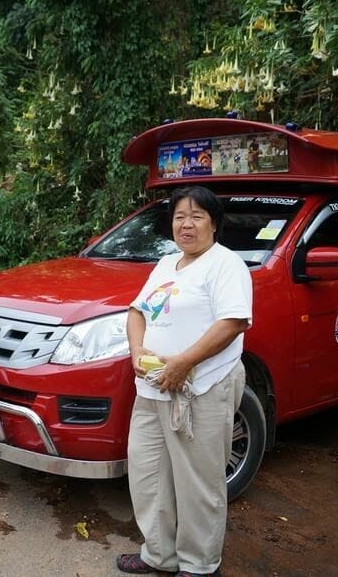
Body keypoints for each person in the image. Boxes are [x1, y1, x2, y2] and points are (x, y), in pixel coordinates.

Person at [117, 185, 253, 576]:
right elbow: (136, 312)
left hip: (201, 388)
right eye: (179, 216)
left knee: (198, 482)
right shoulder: (166, 264)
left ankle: (198, 565)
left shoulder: (225, 265)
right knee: (148, 475)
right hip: (152, 388)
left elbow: (233, 321)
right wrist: (137, 349)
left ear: (214, 223)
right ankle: (158, 555)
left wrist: (184, 363)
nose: (186, 224)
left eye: (196, 216)